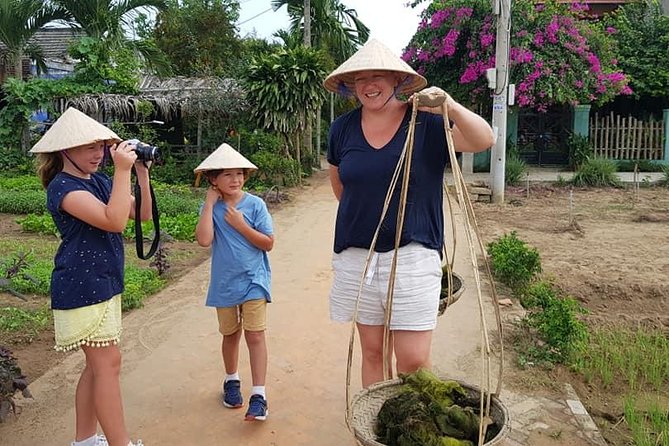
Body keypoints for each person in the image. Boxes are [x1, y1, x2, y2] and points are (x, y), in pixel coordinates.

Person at [323, 39, 495, 388]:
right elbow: (341, 186)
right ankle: (375, 430)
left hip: (414, 255)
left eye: (378, 77)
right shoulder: (341, 128)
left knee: (413, 359)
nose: (369, 86)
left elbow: (483, 140)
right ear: (351, 86)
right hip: (359, 256)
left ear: (397, 80)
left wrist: (451, 106)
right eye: (360, 79)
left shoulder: (426, 122)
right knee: (372, 351)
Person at [31, 107, 153, 446]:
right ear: (64, 150)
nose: (99, 153)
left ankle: (85, 440)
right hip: (82, 285)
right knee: (108, 364)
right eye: (89, 147)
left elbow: (140, 216)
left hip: (104, 281)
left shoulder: (99, 179)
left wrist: (140, 174)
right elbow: (114, 221)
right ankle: (120, 443)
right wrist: (122, 171)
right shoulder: (63, 188)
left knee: (97, 366)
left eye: (101, 145)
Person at [194, 143, 274, 421]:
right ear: (213, 180)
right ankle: (231, 381)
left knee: (255, 335)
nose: (235, 179)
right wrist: (208, 204)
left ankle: (260, 395)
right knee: (230, 335)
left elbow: (268, 243)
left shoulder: (255, 205)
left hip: (254, 280)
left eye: (239, 173)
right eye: (227, 175)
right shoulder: (212, 208)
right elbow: (204, 240)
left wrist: (241, 225)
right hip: (225, 283)